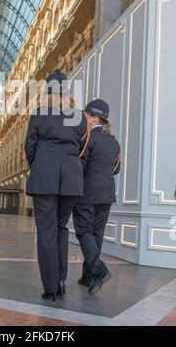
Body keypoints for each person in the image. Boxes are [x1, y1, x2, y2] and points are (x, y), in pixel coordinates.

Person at [25, 69, 90, 301]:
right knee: (62, 228)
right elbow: (83, 149)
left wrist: (39, 166)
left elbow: (29, 147)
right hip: (72, 179)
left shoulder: (40, 113)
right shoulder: (81, 117)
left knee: (46, 232)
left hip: (45, 176)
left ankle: (51, 287)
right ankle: (61, 280)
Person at [72, 99, 121, 295]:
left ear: (93, 118)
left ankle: (99, 270)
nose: (84, 119)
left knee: (83, 231)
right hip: (107, 193)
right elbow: (116, 169)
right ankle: (88, 276)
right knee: (96, 234)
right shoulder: (114, 142)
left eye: (86, 116)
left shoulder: (87, 139)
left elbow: (79, 166)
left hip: (86, 192)